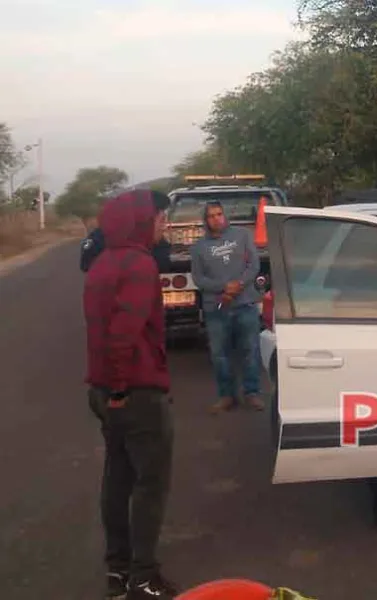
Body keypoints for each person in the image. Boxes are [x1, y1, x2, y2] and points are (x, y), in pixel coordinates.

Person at [83, 189, 178, 600]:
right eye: (160, 217)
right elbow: (123, 333)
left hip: (103, 390)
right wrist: (123, 388)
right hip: (135, 392)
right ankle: (144, 577)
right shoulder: (139, 264)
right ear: (143, 220)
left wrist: (111, 390)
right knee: (150, 485)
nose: (165, 225)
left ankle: (118, 573)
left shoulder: (102, 262)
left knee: (117, 480)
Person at [189, 200, 264, 414]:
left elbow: (254, 265)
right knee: (219, 355)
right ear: (206, 220)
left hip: (245, 303)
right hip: (217, 307)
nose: (216, 218)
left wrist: (239, 284)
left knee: (250, 350)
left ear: (225, 215)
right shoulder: (198, 247)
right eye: (211, 215)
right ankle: (226, 396)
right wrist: (224, 287)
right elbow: (198, 278)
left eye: (219, 214)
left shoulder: (242, 236)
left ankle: (252, 392)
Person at [81, 191, 173, 273]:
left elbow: (165, 264)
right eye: (161, 220)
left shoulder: (155, 241)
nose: (164, 227)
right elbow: (87, 264)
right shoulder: (101, 238)